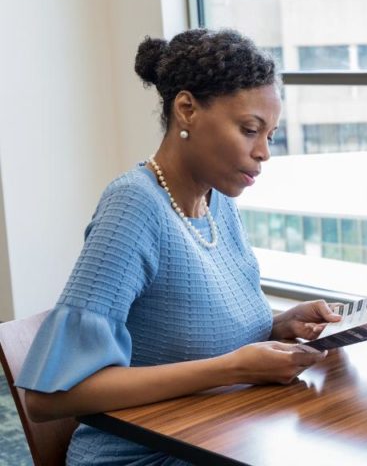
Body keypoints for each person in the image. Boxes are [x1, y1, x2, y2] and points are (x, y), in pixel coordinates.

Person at [16, 28, 341, 465]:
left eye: (271, 135)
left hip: (220, 436)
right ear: (186, 109)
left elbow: (190, 330)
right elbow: (48, 397)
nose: (264, 152)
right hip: (145, 456)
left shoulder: (217, 200)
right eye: (249, 130)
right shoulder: (134, 206)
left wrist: (279, 325)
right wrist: (236, 368)